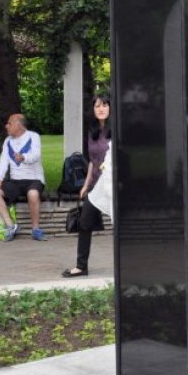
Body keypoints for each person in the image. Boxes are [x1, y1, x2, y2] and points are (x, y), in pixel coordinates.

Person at [61, 95, 111, 278]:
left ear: (110, 108)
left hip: (113, 184)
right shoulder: (92, 132)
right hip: (97, 186)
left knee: (125, 225)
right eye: (97, 106)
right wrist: (86, 184)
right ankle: (81, 266)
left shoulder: (117, 130)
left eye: (105, 105)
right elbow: (92, 161)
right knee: (84, 222)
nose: (101, 109)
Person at [0, 113, 46, 241]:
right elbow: (3, 161)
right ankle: (11, 226)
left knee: (33, 194)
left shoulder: (33, 136)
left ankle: (35, 229)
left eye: (9, 123)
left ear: (18, 124)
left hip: (34, 179)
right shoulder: (7, 141)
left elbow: (36, 155)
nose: (6, 126)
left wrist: (24, 158)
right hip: (15, 181)